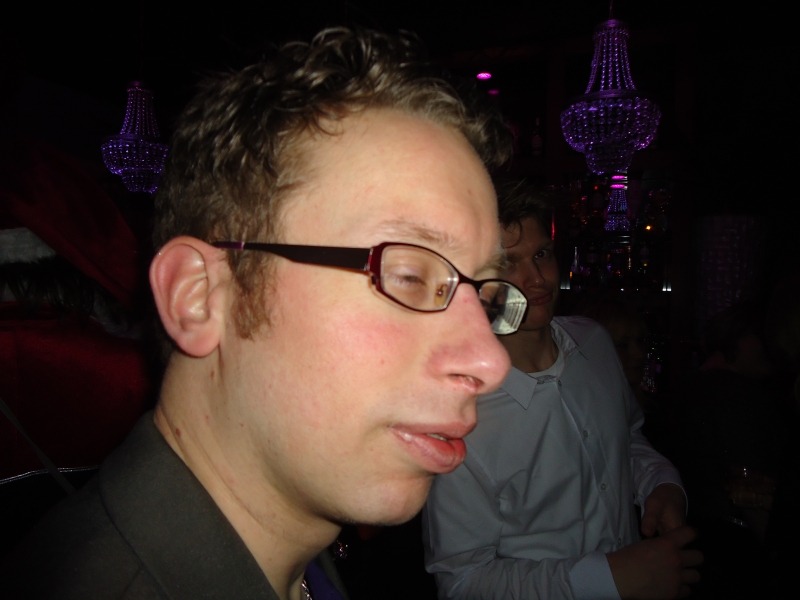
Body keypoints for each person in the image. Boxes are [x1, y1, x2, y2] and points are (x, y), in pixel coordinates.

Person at [1, 27, 527, 600]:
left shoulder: (300, 561)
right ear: (198, 296)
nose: (490, 361)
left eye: (485, 296)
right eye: (408, 276)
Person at [423, 181, 702, 600]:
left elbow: (626, 438)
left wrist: (660, 484)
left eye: (542, 255)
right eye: (508, 262)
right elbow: (461, 581)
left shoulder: (595, 342)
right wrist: (606, 579)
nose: (537, 279)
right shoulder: (458, 419)